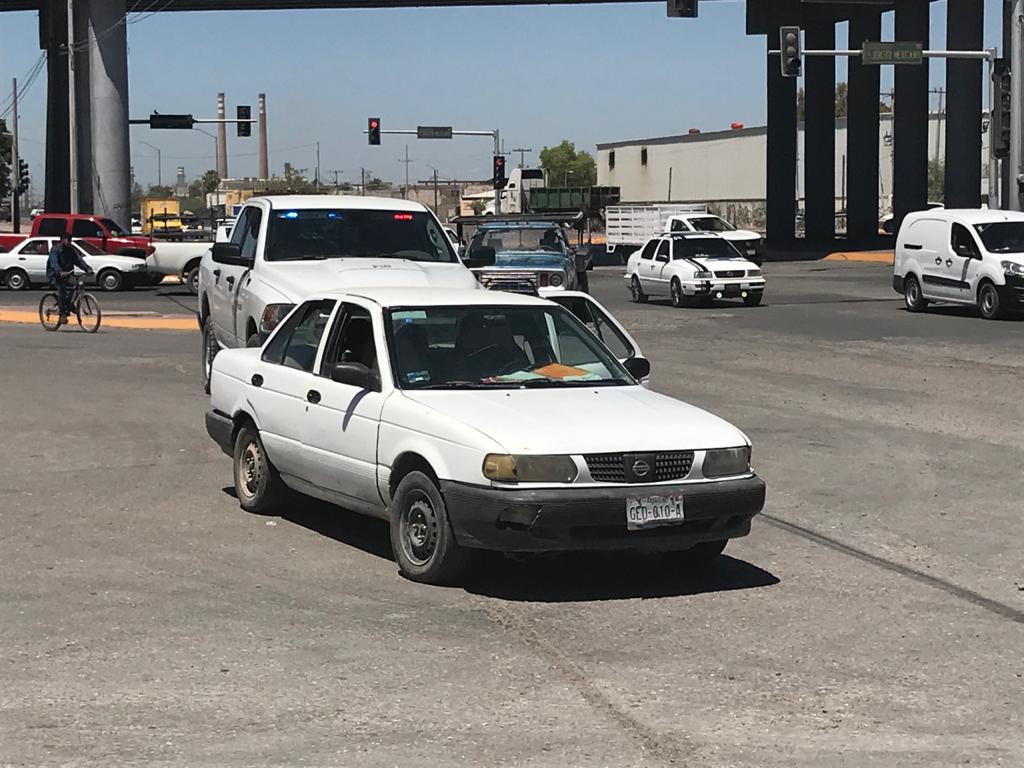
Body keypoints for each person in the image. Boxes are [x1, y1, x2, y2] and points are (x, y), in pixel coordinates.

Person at [46, 233, 93, 325]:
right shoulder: (55, 250)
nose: (68, 242)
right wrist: (59, 272)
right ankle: (62, 313)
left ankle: (70, 304)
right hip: (55, 274)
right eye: (67, 239)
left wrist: (87, 269)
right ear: (62, 240)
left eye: (70, 240)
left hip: (68, 273)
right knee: (63, 289)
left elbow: (78, 261)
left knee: (76, 285)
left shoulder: (71, 250)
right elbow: (54, 263)